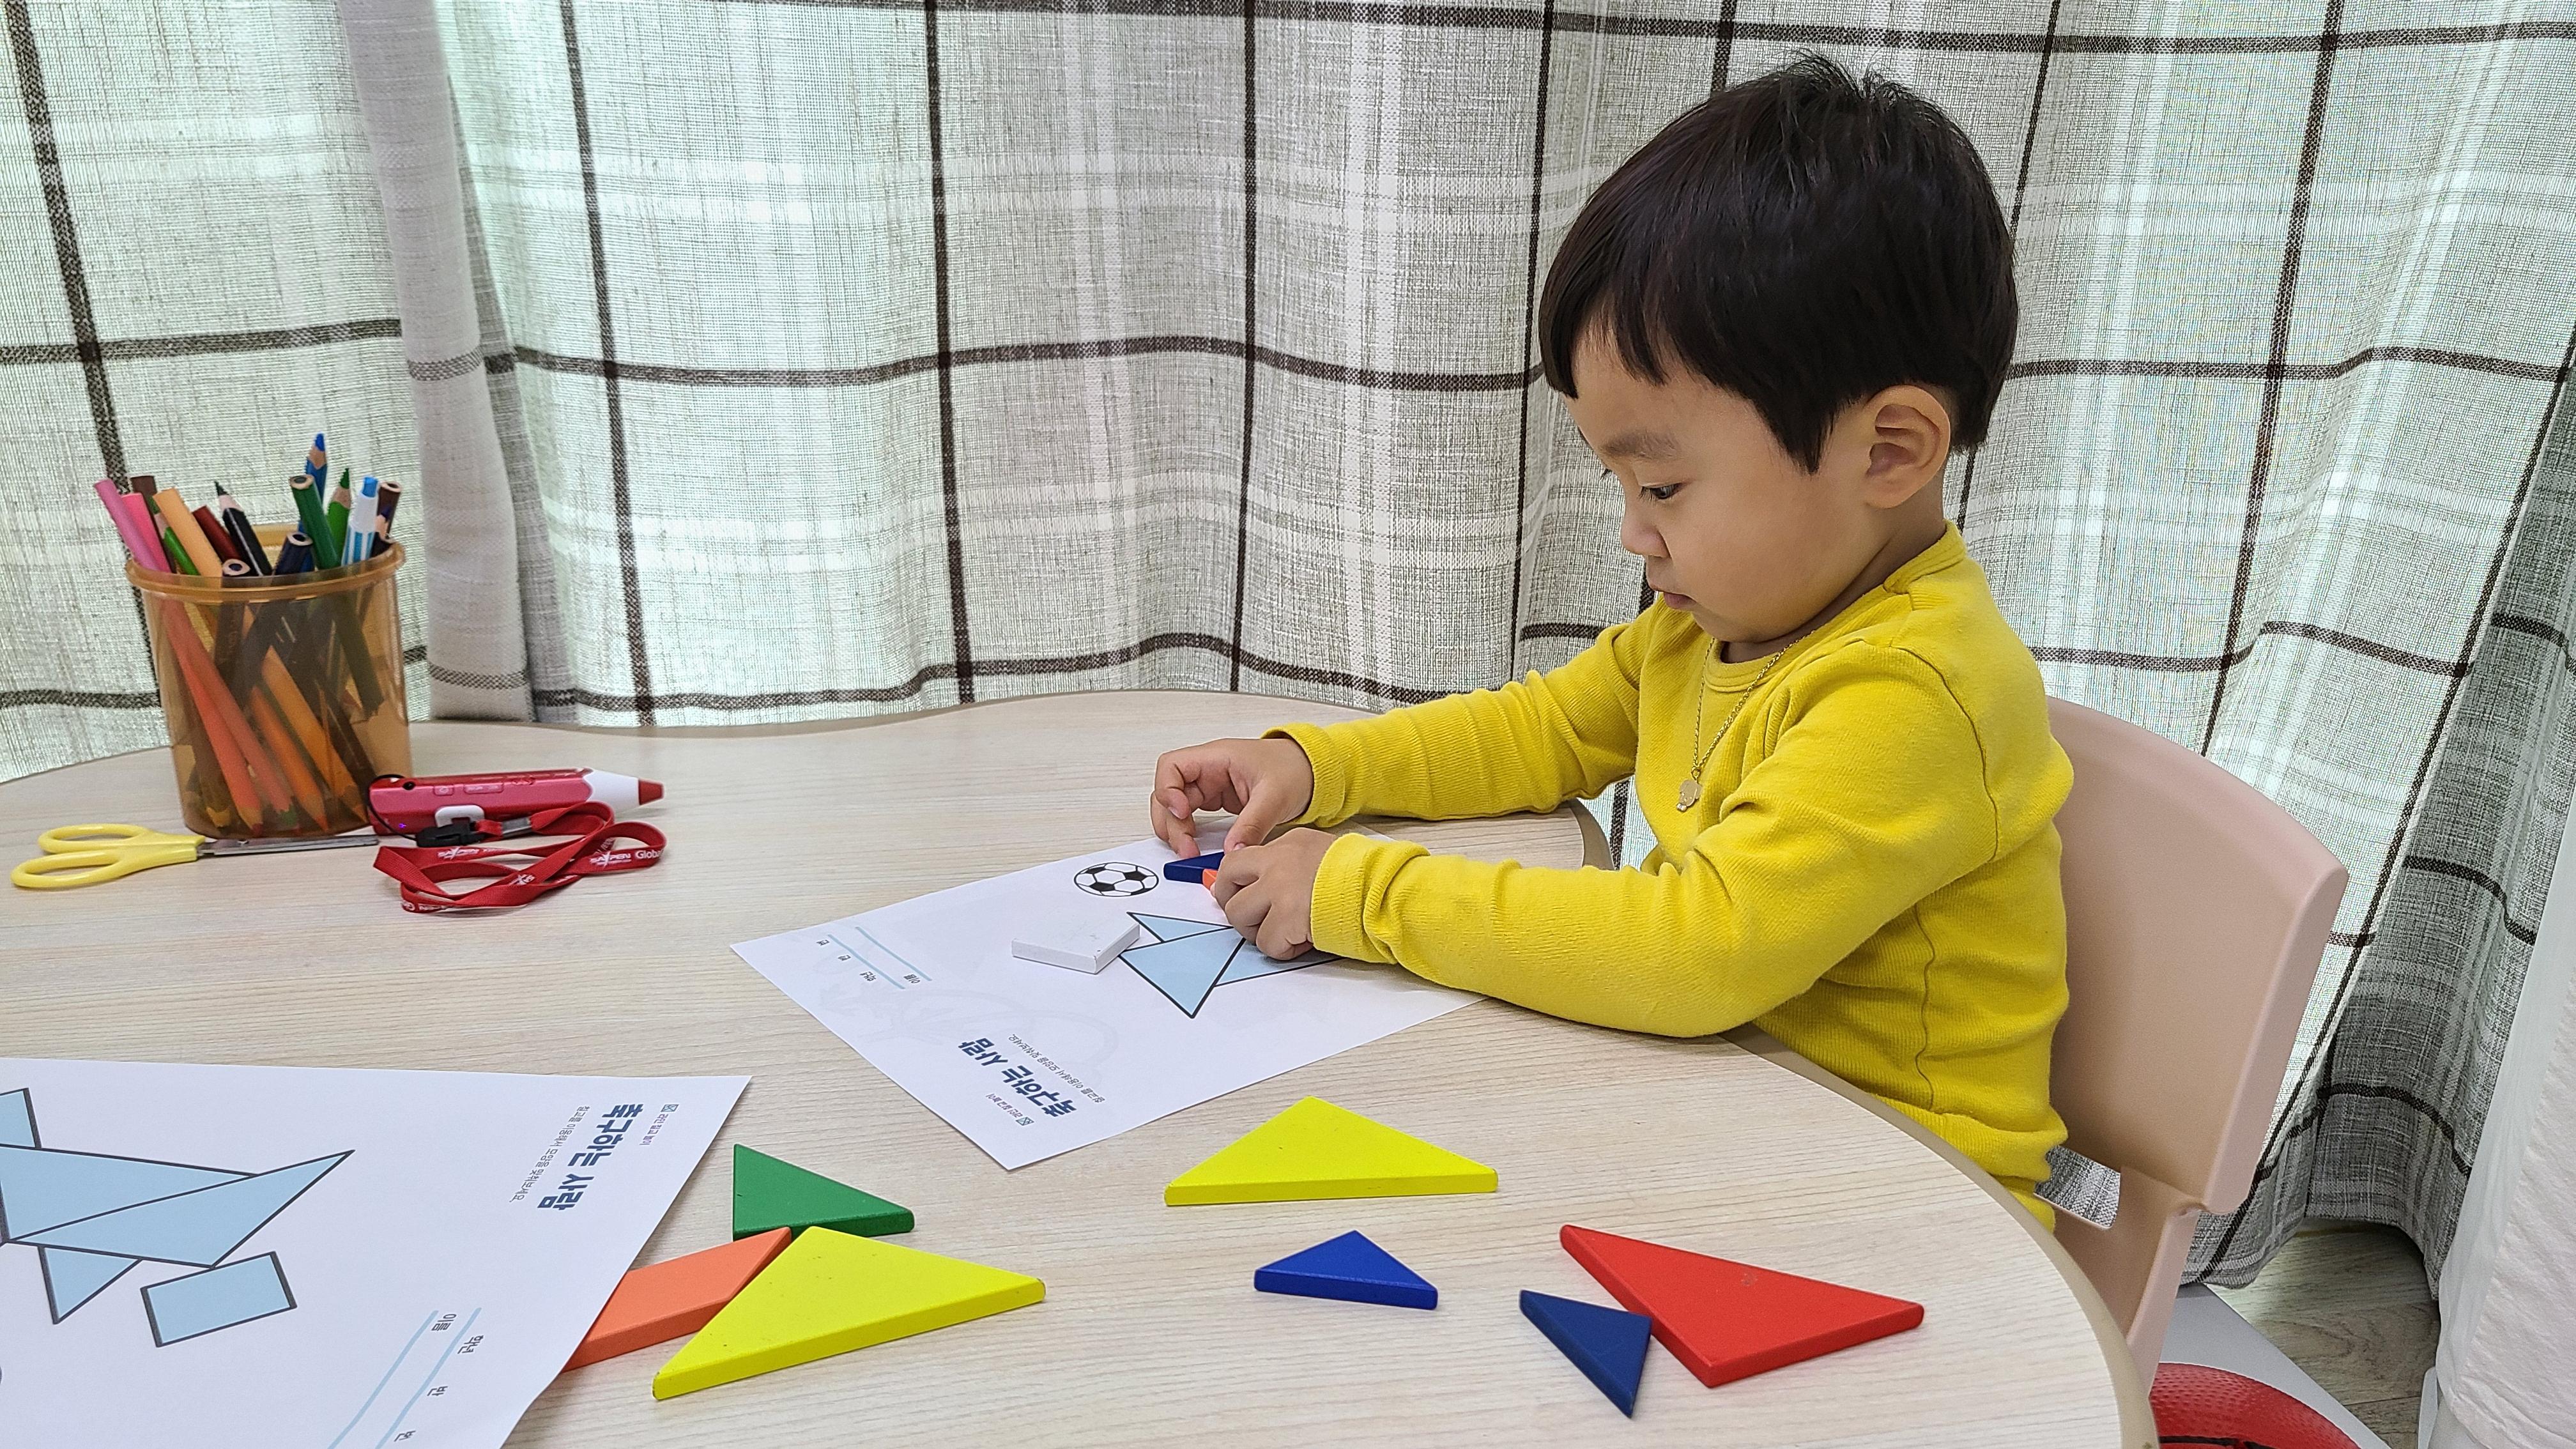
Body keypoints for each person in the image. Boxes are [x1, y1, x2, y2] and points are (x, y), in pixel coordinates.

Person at [1147, 54, 2071, 1224]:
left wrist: (1359, 890)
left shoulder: (1913, 688)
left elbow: (1696, 952)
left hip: (1905, 1203)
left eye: (1665, 485)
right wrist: (1319, 766)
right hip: (1732, 1123)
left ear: (1889, 451)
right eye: (1617, 482)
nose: (1635, 532)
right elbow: (1539, 730)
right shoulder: (1717, 624)